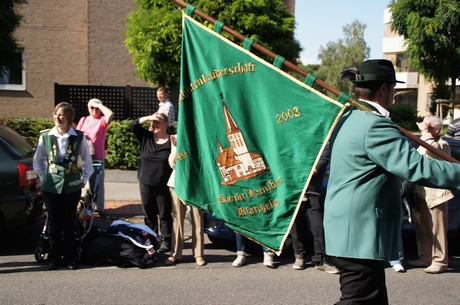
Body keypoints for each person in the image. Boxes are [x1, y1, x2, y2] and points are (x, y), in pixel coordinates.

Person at [324, 59, 460, 304]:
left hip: (352, 231)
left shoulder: (350, 119)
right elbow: (416, 167)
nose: (395, 96)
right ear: (384, 89)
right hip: (358, 233)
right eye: (394, 89)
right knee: (360, 300)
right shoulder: (374, 125)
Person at [33, 102, 94, 270]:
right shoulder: (45, 136)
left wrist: (84, 180)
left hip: (72, 186)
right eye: (55, 114)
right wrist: (45, 177)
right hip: (51, 186)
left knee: (69, 222)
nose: (57, 118)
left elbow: (88, 163)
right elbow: (37, 161)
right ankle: (54, 257)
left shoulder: (78, 137)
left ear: (68, 118)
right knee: (53, 221)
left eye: (61, 115)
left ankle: (70, 257)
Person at [408, 115, 454, 274]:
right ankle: (426, 256)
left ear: (436, 130)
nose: (423, 131)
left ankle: (440, 261)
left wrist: (426, 132)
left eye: (426, 128)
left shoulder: (442, 144)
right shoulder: (426, 142)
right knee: (423, 228)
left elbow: (430, 149)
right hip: (421, 192)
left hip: (437, 193)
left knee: (437, 229)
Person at [290, 144, 339, 273]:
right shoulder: (294, 139)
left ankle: (321, 260)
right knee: (296, 226)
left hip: (312, 192)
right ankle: (299, 256)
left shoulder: (321, 140)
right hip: (294, 190)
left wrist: (314, 169)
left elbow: (324, 159)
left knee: (318, 227)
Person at [129, 112, 173, 253]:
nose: (154, 125)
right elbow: (133, 125)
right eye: (152, 123)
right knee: (149, 213)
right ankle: (152, 239)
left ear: (166, 124)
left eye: (158, 122)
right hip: (145, 182)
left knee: (165, 214)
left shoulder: (172, 140)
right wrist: (149, 117)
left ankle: (167, 241)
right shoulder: (146, 138)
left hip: (164, 184)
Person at [165, 135, 206, 266]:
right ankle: (175, 254)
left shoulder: (200, 136)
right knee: (177, 219)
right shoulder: (176, 138)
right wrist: (177, 147)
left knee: (197, 219)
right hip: (177, 184)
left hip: (196, 185)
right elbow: (172, 164)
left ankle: (198, 254)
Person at [76, 98, 113, 217]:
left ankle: (100, 209)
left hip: (97, 156)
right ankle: (83, 207)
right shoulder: (83, 120)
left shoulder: (102, 120)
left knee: (97, 183)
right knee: (83, 183)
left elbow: (110, 114)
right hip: (83, 156)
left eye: (96, 108)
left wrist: (99, 105)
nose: (94, 110)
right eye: (92, 107)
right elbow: (76, 134)